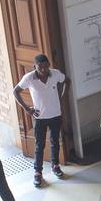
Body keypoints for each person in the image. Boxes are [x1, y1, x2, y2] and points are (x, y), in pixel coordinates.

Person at [13, 54, 68, 187]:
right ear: (35, 66)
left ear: (49, 65)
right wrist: (27, 109)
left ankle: (55, 165)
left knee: (55, 142)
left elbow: (67, 81)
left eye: (45, 66)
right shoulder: (29, 78)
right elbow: (16, 91)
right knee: (40, 145)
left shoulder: (55, 74)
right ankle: (38, 172)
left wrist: (62, 97)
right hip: (40, 117)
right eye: (39, 67)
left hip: (55, 114)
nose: (43, 70)